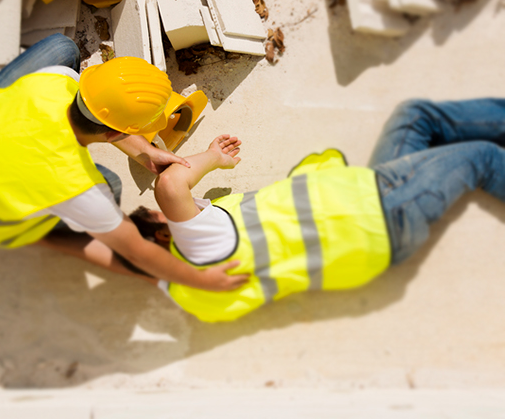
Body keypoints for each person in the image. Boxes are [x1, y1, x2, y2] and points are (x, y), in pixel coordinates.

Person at [0, 33, 247, 293]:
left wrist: (145, 152)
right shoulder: (81, 188)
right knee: (112, 188)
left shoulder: (56, 80)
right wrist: (202, 281)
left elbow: (98, 116)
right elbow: (136, 253)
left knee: (62, 48)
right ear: (117, 133)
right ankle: (37, 234)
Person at [120, 98, 505, 321]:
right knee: (483, 158)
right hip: (379, 208)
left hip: (370, 243)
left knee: (414, 119)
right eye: (164, 219)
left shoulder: (188, 296)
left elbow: (142, 269)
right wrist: (212, 157)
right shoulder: (202, 248)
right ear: (164, 236)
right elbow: (170, 185)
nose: (175, 214)